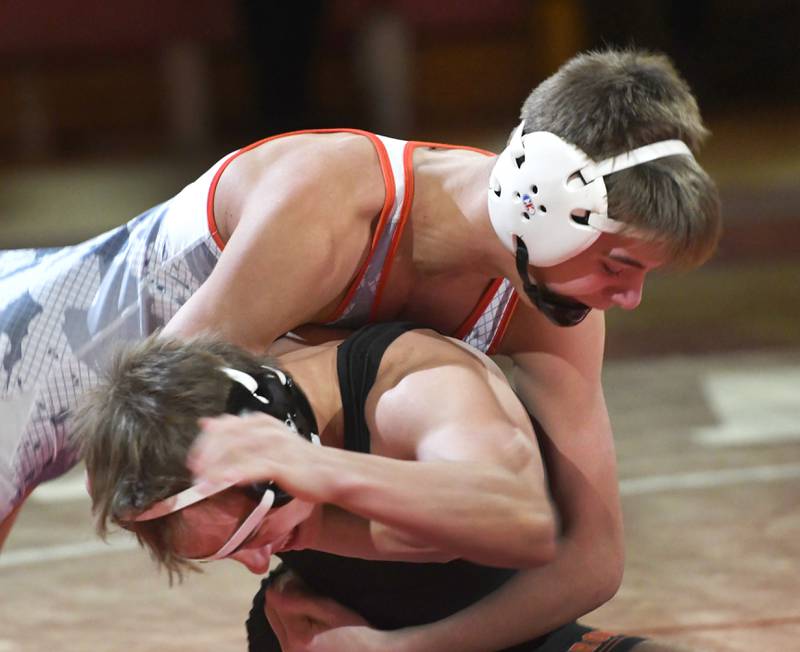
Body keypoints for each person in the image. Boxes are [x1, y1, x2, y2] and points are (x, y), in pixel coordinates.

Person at [0, 46, 720, 622]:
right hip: (22, 347)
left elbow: (590, 561)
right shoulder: (330, 209)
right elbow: (121, 466)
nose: (627, 299)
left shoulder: (548, 307)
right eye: (619, 265)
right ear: (545, 203)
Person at [78, 326, 681, 651]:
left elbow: (519, 520)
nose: (258, 562)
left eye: (253, 533)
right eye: (225, 550)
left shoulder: (417, 386)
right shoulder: (221, 408)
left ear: (282, 441)